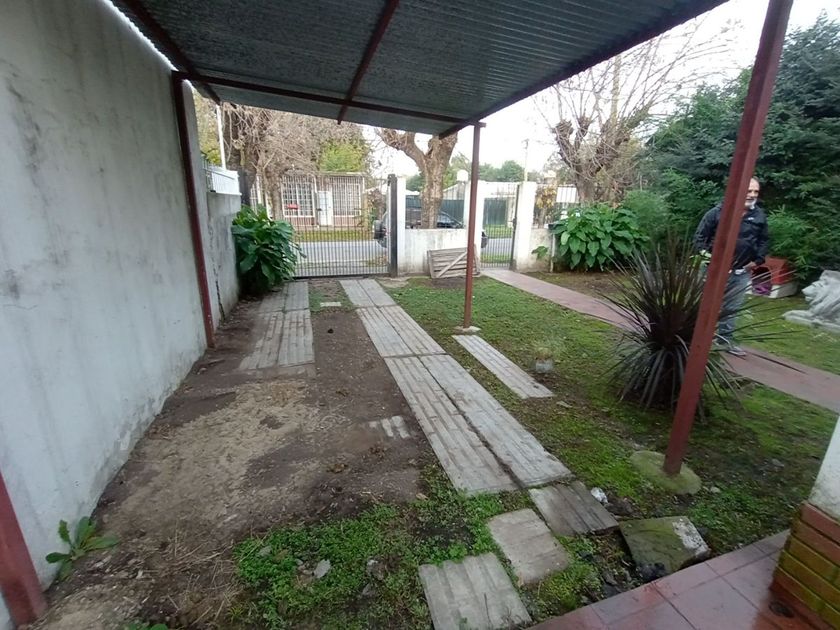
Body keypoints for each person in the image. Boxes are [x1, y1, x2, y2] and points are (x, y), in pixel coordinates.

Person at [693, 177, 769, 357]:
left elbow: (764, 240)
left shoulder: (759, 216)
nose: (752, 195)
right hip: (712, 270)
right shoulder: (717, 213)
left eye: (755, 192)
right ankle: (693, 338)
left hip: (740, 272)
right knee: (703, 304)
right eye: (749, 191)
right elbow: (699, 238)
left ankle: (724, 341)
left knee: (732, 307)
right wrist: (710, 259)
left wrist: (757, 261)